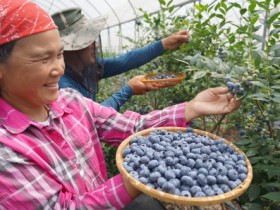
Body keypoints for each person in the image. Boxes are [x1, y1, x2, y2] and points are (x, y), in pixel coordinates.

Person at [0, 0, 241, 209]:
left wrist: (192, 107)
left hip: (103, 198)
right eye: (43, 58)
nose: (58, 68)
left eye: (59, 54)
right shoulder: (6, 152)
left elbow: (133, 126)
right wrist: (142, 175)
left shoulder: (70, 102)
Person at [51, 8, 190, 111]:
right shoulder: (63, 87)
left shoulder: (87, 67)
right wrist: (128, 90)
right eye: (87, 41)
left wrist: (164, 44)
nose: (94, 45)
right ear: (70, 50)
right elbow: (91, 118)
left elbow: (124, 61)